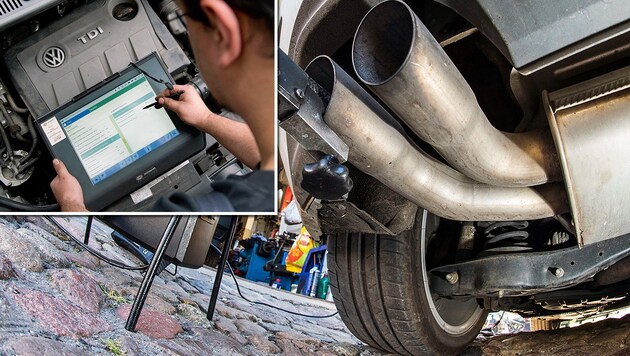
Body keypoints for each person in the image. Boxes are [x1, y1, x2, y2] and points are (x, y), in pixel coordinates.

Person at [50, 0, 274, 212]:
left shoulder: (209, 207)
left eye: (182, 21)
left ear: (225, 33)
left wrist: (70, 202)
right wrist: (206, 119)